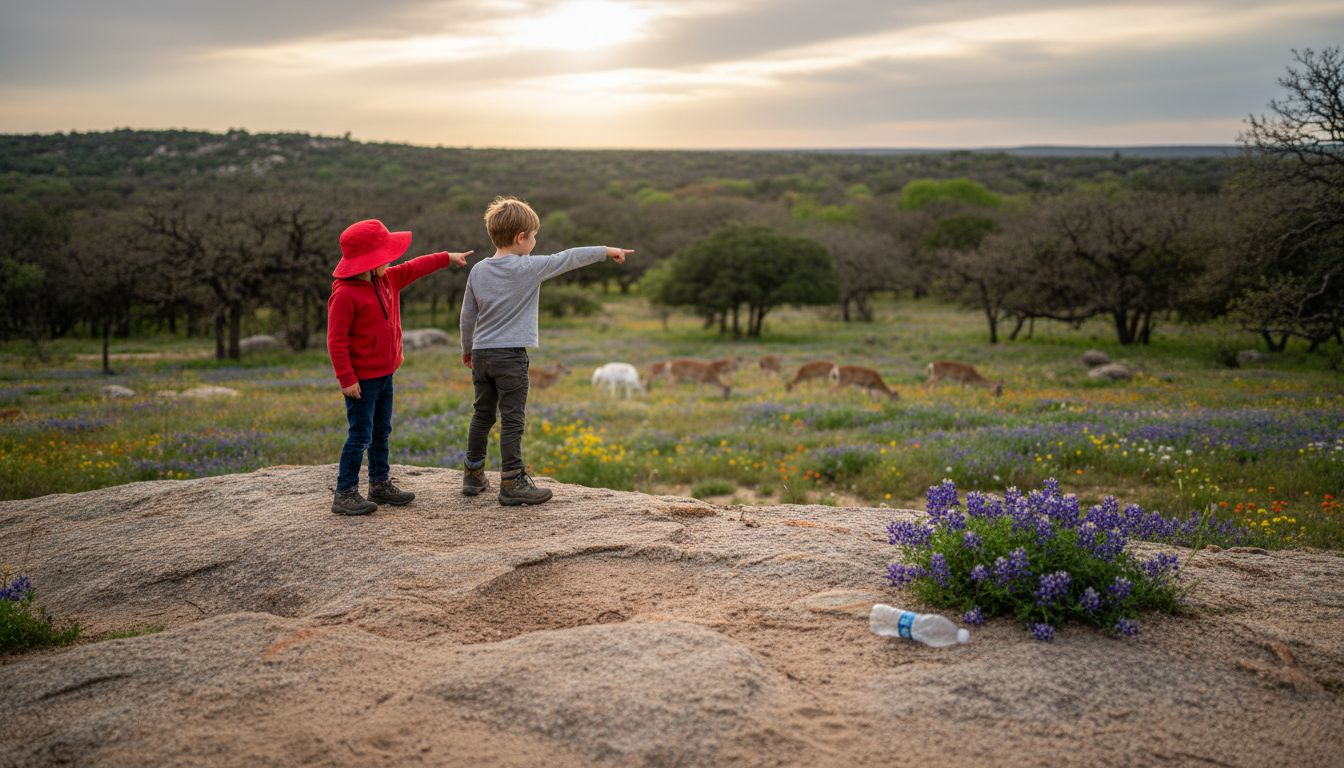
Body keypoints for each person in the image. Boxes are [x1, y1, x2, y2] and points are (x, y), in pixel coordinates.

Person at [460, 196, 633, 505]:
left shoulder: (478, 270)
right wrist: (608, 251)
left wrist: (467, 349)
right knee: (512, 418)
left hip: (482, 353)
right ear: (520, 238)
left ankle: (473, 475)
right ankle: (512, 481)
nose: (536, 242)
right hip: (510, 357)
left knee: (482, 414)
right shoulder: (529, 267)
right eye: (534, 236)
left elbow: (467, 315)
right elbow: (568, 257)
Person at [327, 219, 471, 516]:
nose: (391, 259)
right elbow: (336, 340)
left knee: (382, 432)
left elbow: (415, 266)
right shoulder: (344, 294)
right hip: (361, 382)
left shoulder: (387, 279)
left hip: (385, 374)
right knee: (360, 435)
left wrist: (446, 257)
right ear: (368, 262)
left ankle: (379, 484)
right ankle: (344, 492)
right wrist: (346, 378)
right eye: (385, 255)